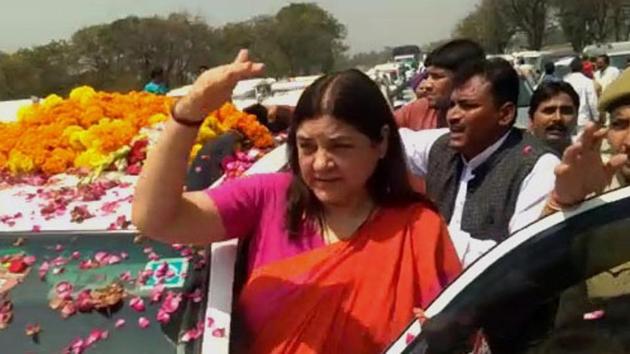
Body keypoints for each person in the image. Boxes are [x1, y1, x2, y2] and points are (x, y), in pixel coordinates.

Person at [132, 50, 461, 353]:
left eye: (340, 146)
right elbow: (155, 218)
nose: (320, 164)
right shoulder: (268, 197)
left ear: (381, 143)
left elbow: (456, 333)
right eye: (306, 146)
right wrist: (189, 112)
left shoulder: (419, 228)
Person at [401, 58, 559, 267]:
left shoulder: (539, 167)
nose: (453, 116)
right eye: (452, 105)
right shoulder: (443, 146)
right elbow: (388, 145)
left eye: (468, 106)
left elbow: (517, 260)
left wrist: (428, 233)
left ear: (504, 114)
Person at [393, 39, 485, 131]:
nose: (427, 85)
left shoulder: (485, 119)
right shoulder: (418, 110)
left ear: (465, 79)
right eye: (427, 76)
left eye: (437, 77)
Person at [528, 81, 579, 155]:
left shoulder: (587, 158)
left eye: (566, 111)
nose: (558, 118)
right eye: (549, 111)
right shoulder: (516, 160)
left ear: (576, 116)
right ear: (531, 118)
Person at [564, 57, 600, 134]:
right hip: (583, 121)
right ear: (582, 68)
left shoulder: (565, 82)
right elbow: (592, 102)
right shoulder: (587, 82)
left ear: (570, 68)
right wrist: (597, 118)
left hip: (568, 121)